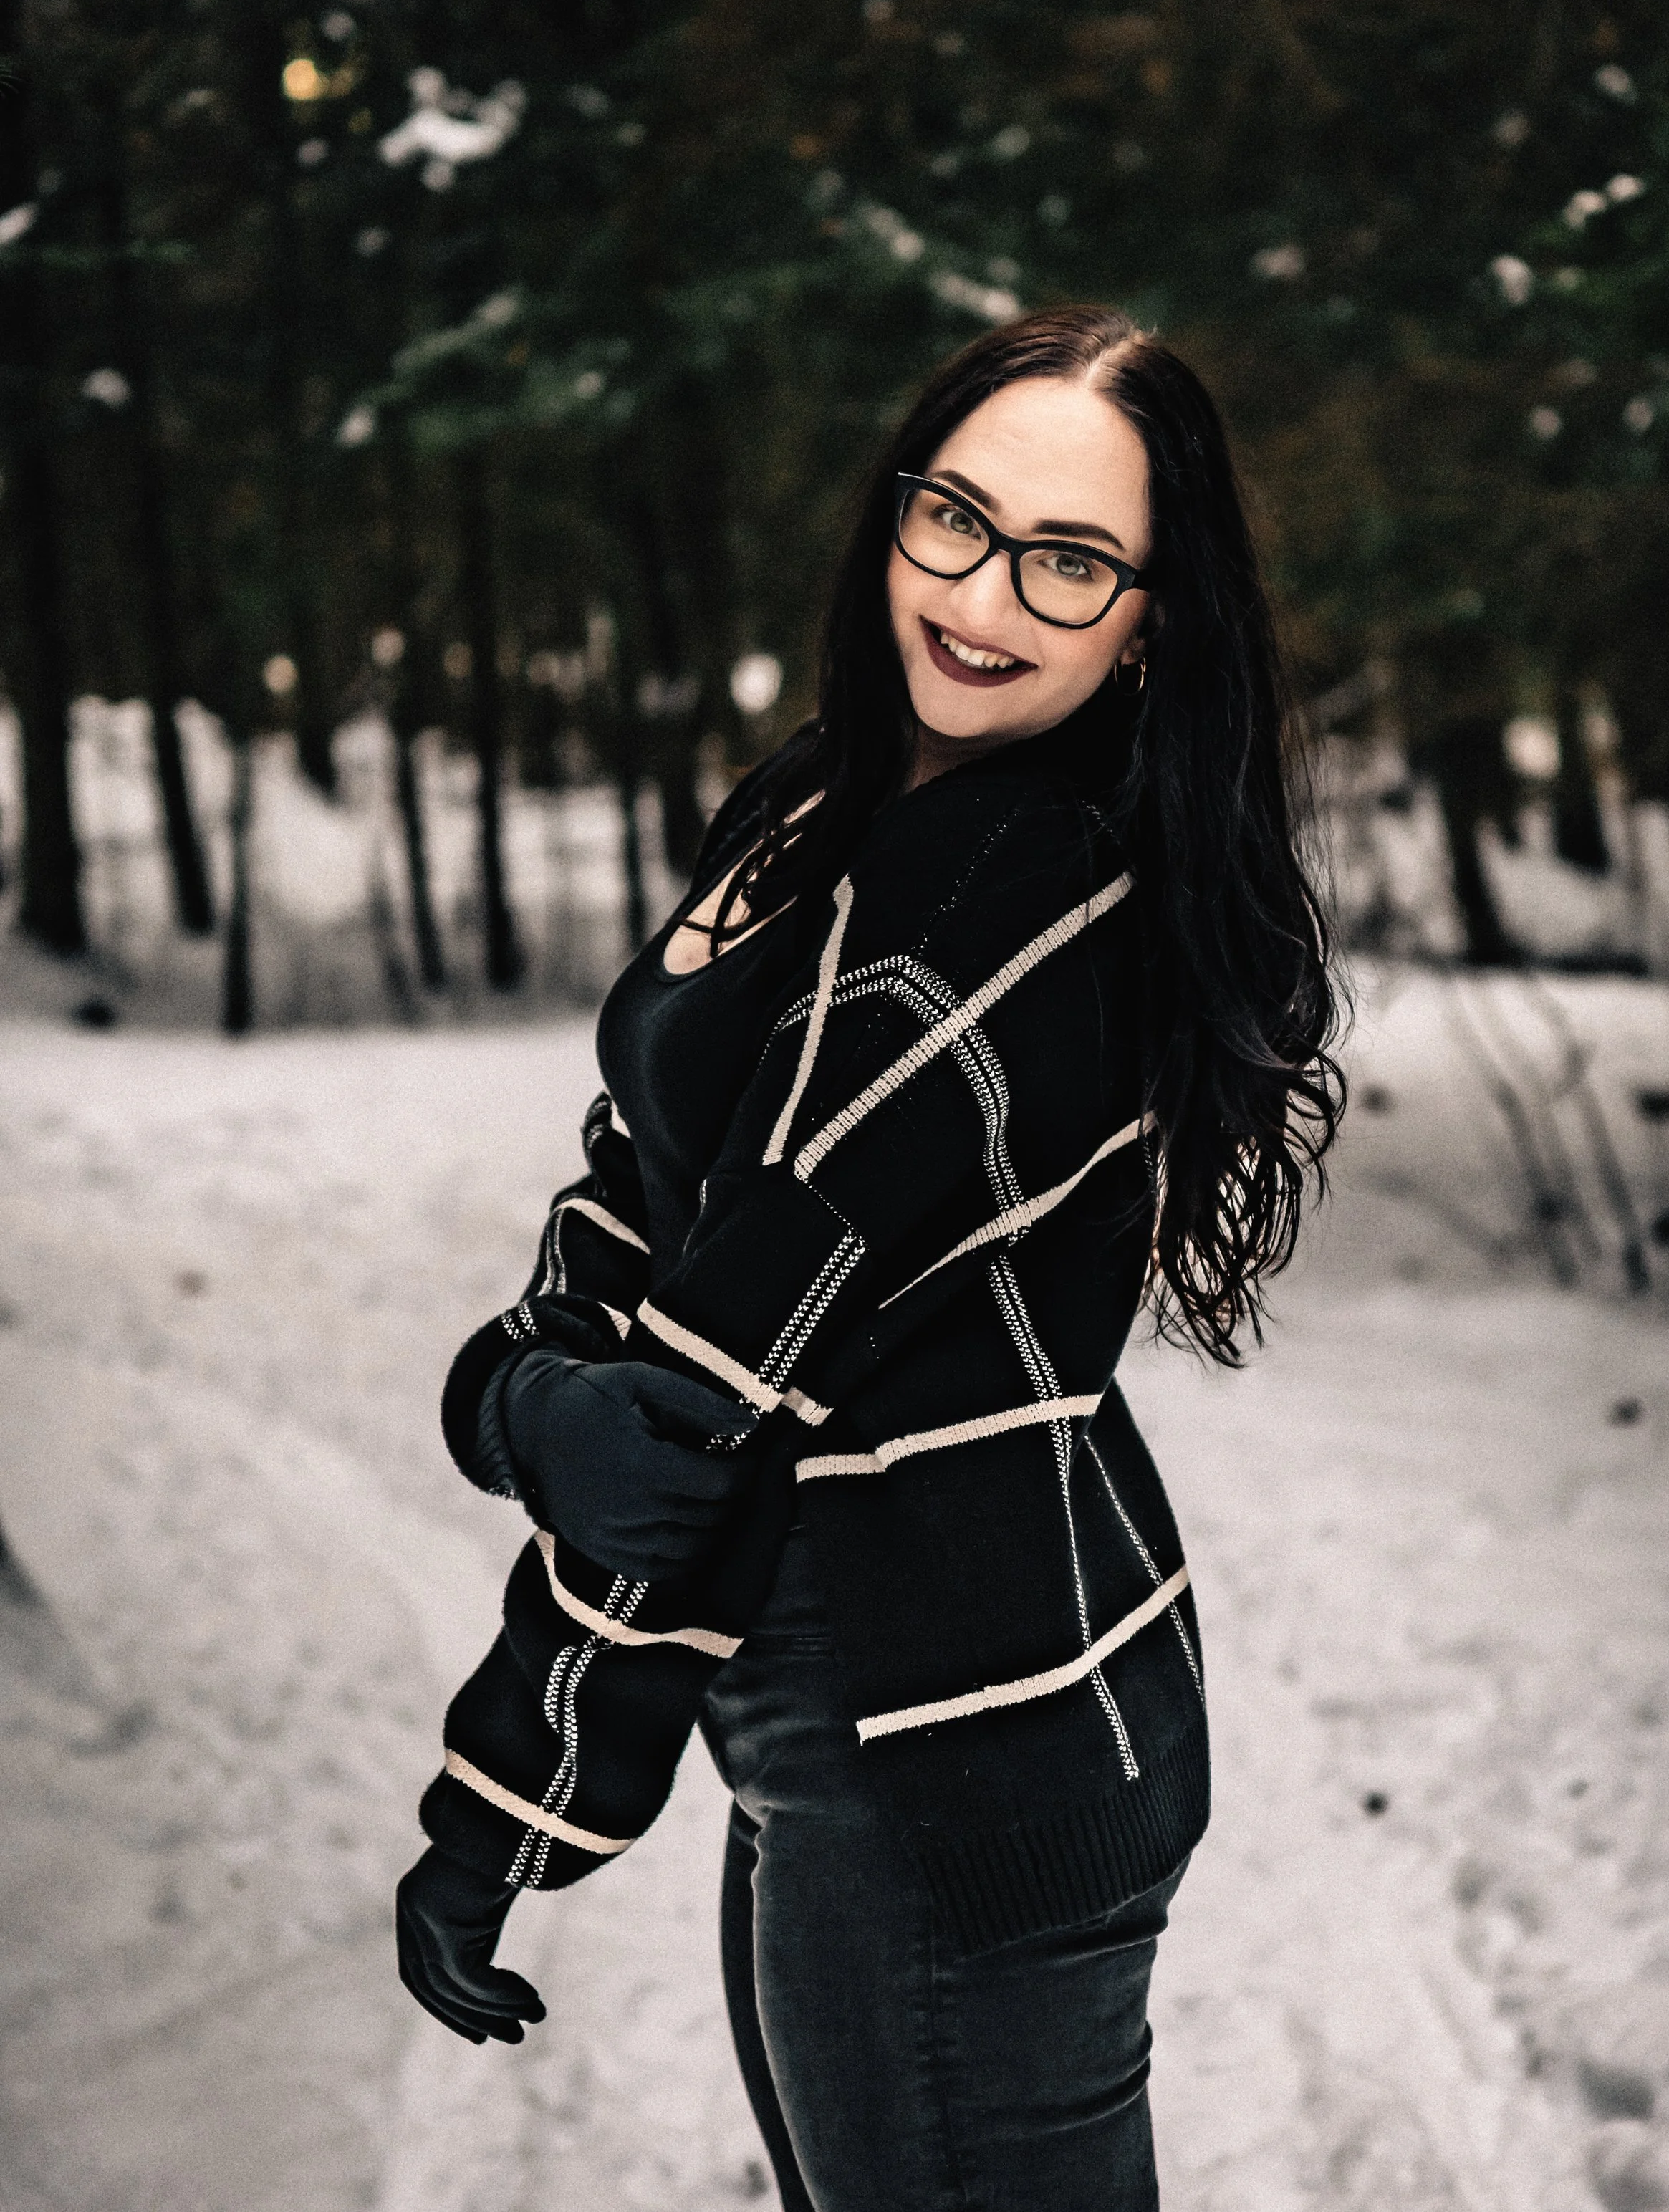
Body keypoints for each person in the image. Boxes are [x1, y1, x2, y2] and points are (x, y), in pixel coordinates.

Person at [394, 304, 1342, 2211]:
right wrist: (527, 1388)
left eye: (1069, 558)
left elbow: (696, 1414)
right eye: (954, 519)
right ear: (889, 515)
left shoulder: (1005, 895)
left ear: (1151, 614)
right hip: (874, 1721)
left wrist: (508, 1793)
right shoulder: (818, 810)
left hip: (940, 1752)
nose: (985, 594)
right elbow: (636, 1188)